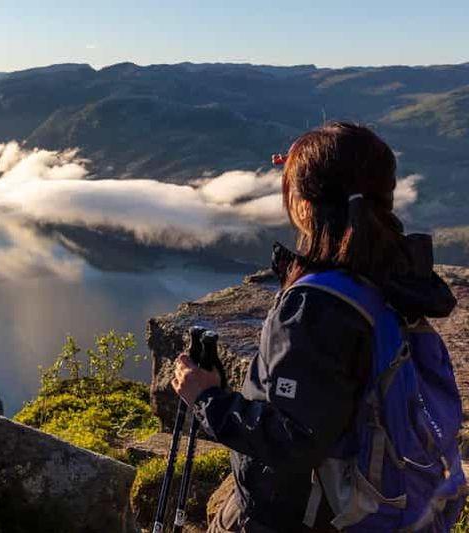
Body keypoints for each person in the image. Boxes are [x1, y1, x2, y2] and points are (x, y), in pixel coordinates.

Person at [172, 123, 460, 532]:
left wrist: (205, 398)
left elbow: (294, 439)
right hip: (369, 498)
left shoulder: (318, 306)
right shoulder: (390, 278)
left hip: (300, 515)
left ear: (308, 204)